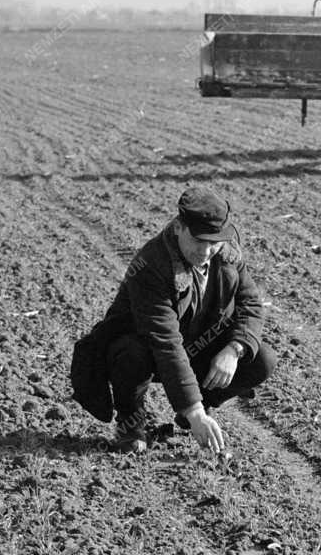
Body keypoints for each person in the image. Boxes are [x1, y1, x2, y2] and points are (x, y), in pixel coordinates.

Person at [77, 188, 276, 454]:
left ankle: (201, 405)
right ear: (180, 227)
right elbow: (166, 343)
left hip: (198, 344)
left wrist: (234, 348)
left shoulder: (227, 251)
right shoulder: (151, 266)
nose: (206, 251)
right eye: (199, 241)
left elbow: (251, 303)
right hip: (149, 352)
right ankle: (130, 423)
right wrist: (193, 410)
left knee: (262, 358)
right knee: (130, 352)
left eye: (213, 242)